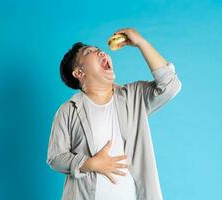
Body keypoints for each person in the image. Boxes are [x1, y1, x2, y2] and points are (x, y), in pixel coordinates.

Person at [46, 28, 182, 200]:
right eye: (90, 52)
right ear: (79, 73)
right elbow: (55, 157)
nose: (101, 52)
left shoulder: (134, 97)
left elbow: (170, 85)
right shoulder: (68, 110)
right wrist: (90, 164)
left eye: (99, 49)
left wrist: (141, 43)